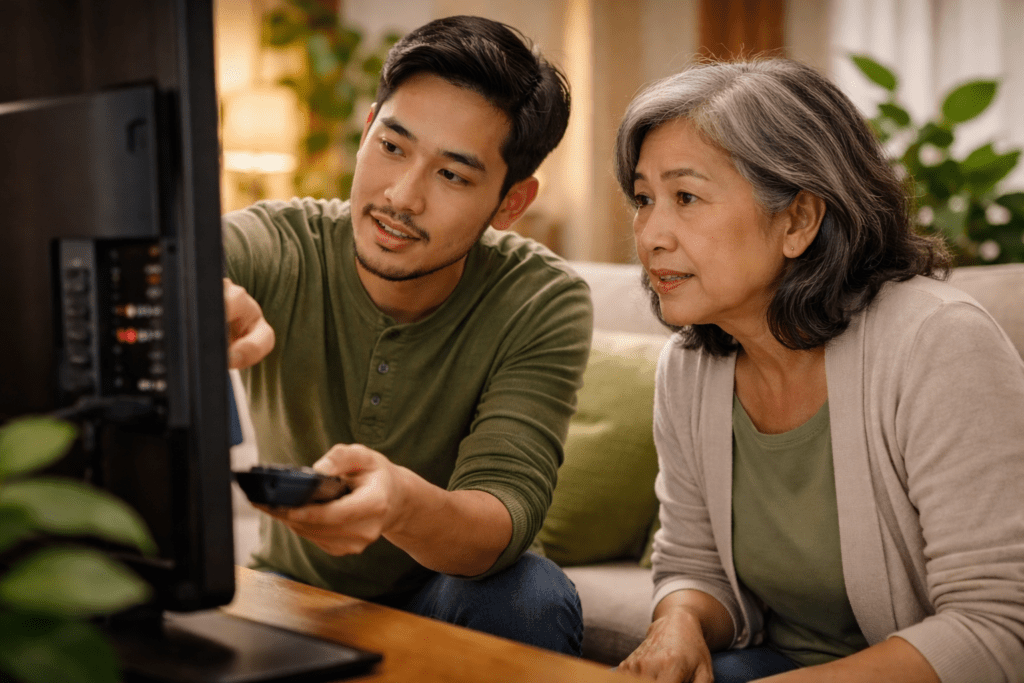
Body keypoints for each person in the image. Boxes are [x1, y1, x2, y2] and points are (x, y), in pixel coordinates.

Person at [613, 59, 1024, 683]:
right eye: (644, 199)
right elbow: (694, 564)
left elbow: (998, 626)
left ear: (799, 220)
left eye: (686, 197)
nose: (650, 235)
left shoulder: (938, 343)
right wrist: (679, 623)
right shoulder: (690, 368)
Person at [221, 15, 590, 655]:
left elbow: (503, 516)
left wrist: (397, 506)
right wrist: (194, 303)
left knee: (531, 594)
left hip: (443, 593)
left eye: (452, 175)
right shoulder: (282, 244)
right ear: (366, 131)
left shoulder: (541, 299)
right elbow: (182, 268)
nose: (401, 197)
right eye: (392, 147)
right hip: (289, 586)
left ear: (510, 203)